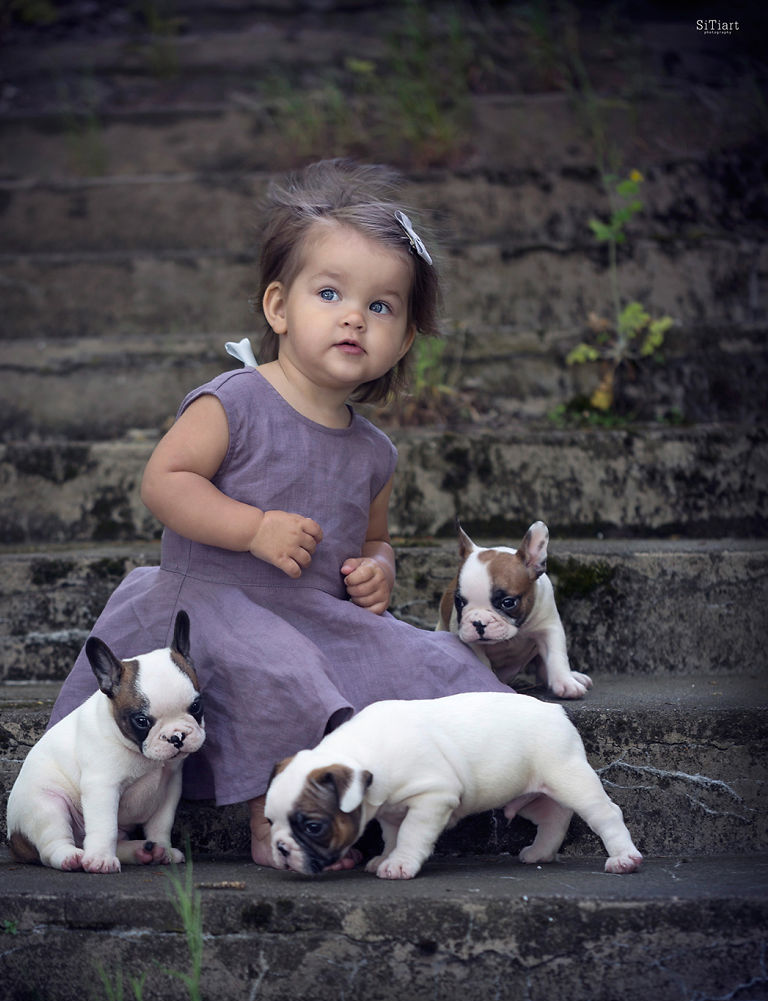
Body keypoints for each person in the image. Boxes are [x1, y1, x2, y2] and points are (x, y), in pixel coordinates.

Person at [47, 158, 512, 868]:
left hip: (314, 610)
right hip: (212, 602)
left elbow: (376, 538)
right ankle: (279, 822)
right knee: (287, 670)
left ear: (404, 340)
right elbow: (164, 482)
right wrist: (252, 527)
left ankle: (506, 773)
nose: (355, 314)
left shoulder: (373, 451)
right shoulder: (234, 400)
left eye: (382, 306)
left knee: (437, 657)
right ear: (278, 308)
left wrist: (378, 570)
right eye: (330, 292)